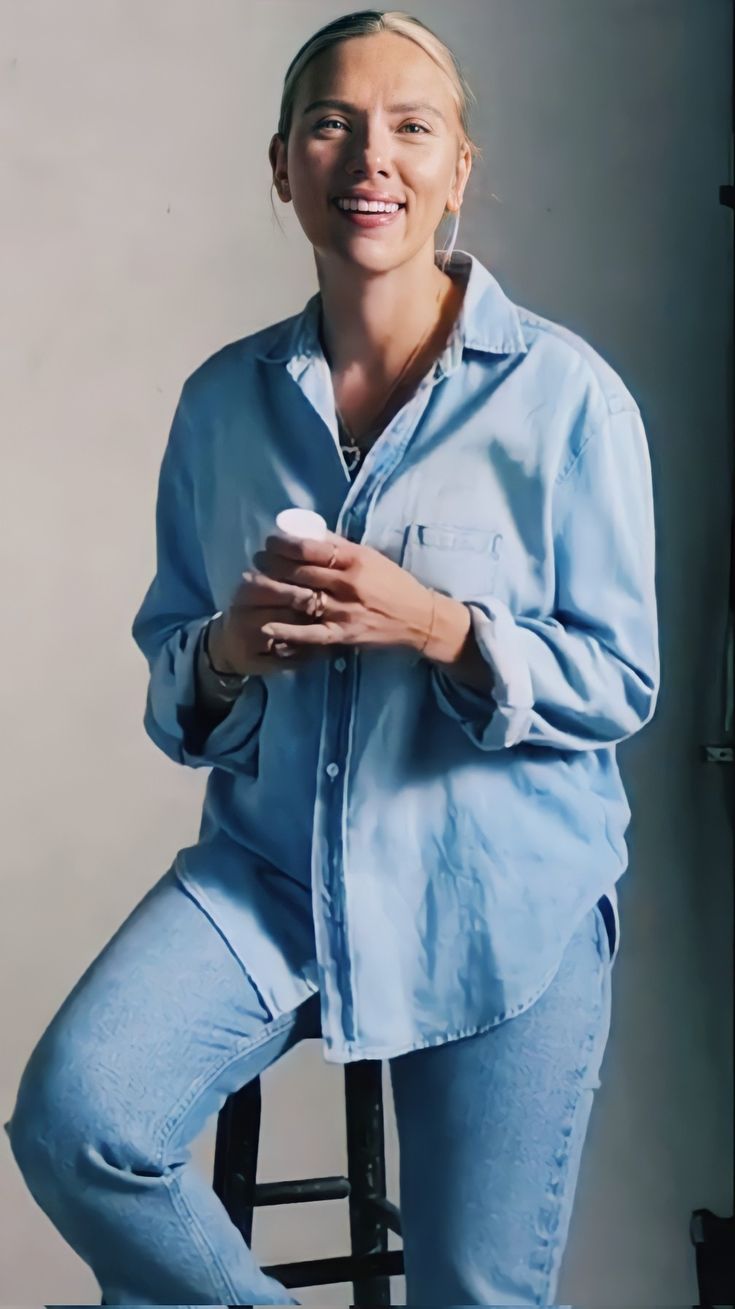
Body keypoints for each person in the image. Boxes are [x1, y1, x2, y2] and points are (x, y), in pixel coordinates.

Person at [4, 8, 660, 1306]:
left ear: (458, 168)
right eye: (332, 124)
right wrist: (231, 653)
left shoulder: (566, 399)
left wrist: (441, 625)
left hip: (498, 889)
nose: (373, 157)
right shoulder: (221, 405)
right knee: (77, 1121)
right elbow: (174, 680)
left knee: (475, 1294)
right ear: (283, 165)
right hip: (275, 873)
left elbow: (621, 683)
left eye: (411, 127)